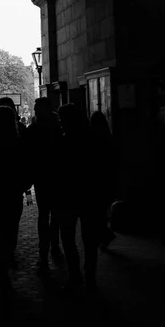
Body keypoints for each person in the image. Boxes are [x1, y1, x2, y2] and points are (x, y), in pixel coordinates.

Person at [0, 105, 31, 291]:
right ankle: (8, 256)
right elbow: (27, 167)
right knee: (11, 229)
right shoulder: (19, 142)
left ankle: (2, 275)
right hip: (12, 193)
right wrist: (25, 186)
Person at [56, 103, 99, 292]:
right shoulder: (91, 138)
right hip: (89, 194)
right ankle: (90, 275)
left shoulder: (64, 141)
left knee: (68, 236)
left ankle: (75, 274)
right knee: (90, 239)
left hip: (69, 196)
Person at [26, 97, 64, 273]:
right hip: (55, 177)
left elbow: (29, 156)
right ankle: (53, 246)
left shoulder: (35, 129)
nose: (34, 110)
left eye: (37, 107)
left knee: (45, 215)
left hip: (44, 177)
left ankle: (45, 251)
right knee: (53, 215)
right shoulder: (59, 127)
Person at [89, 111, 118, 250]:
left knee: (97, 212)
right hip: (108, 180)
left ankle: (104, 235)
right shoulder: (109, 137)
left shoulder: (93, 138)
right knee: (100, 211)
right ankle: (104, 235)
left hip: (97, 181)